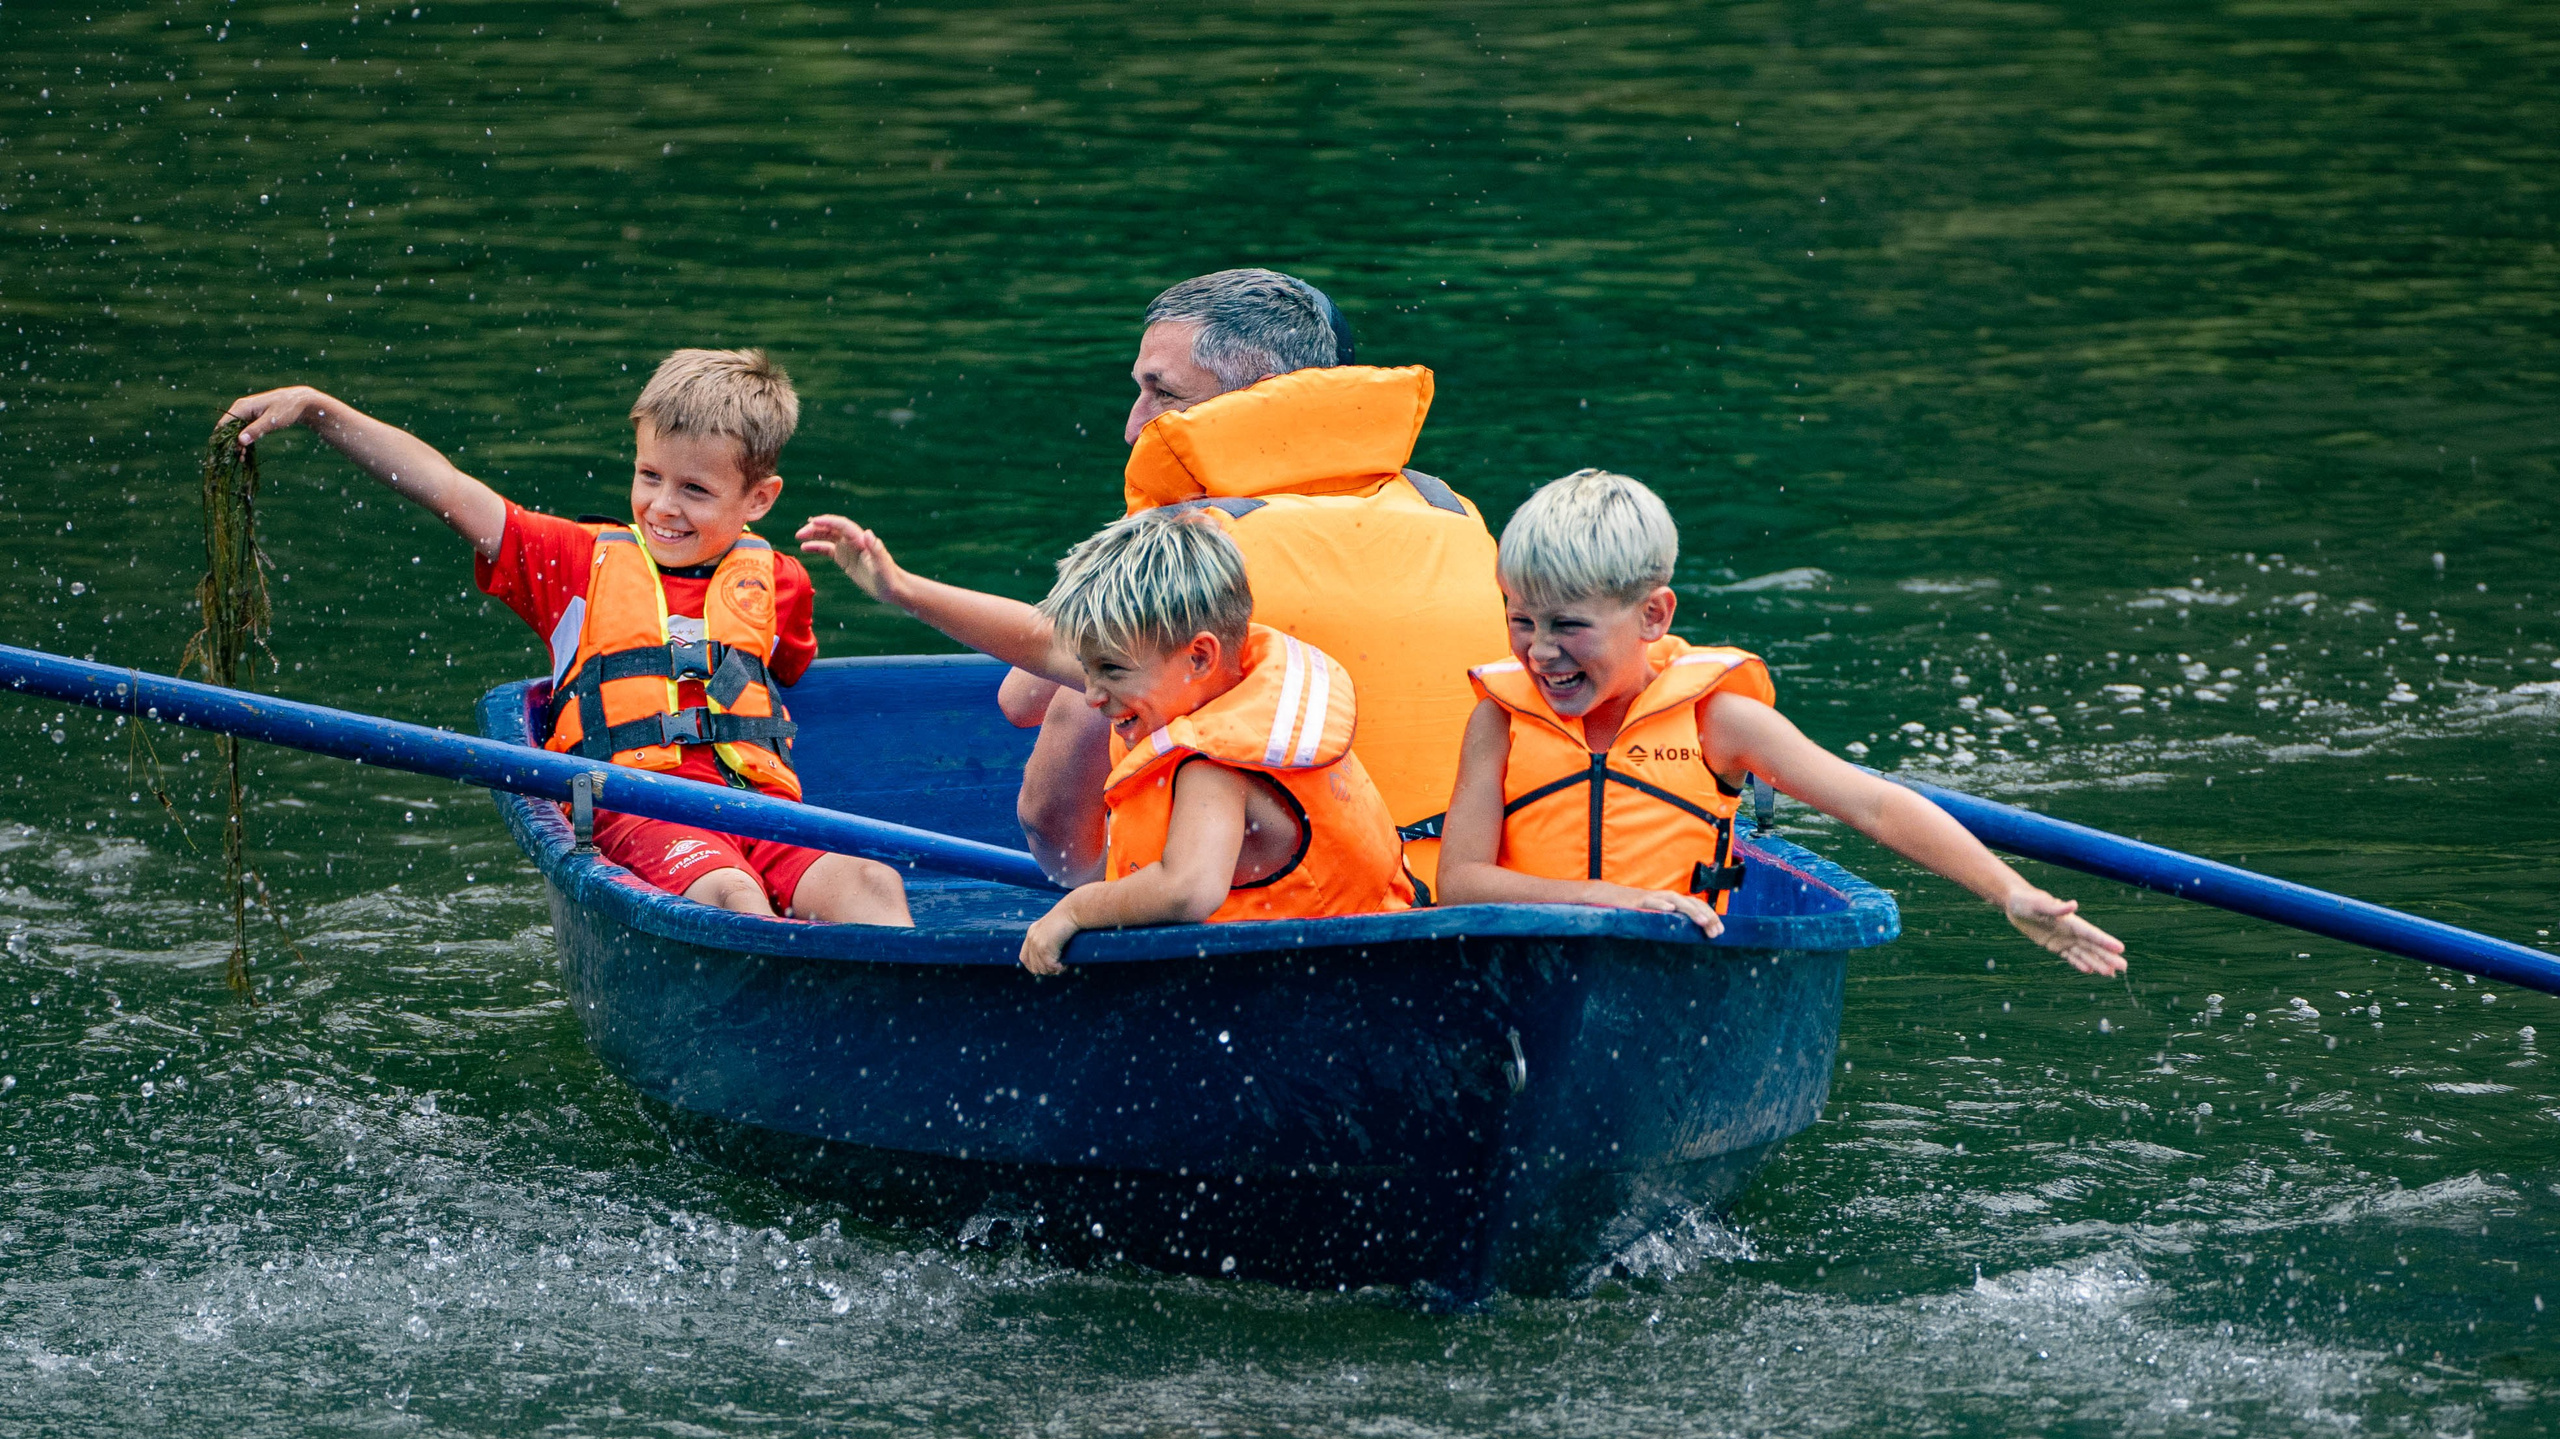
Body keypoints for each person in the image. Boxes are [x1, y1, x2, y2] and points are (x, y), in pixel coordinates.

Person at [219, 350, 912, 926]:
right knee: (734, 899)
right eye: (648, 476)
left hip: (762, 813)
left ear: (758, 499)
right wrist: (320, 409)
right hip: (642, 811)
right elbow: (448, 489)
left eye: (695, 490)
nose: (662, 506)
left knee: (873, 884)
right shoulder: (575, 562)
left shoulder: (780, 580)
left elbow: (787, 665)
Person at [1435, 469, 2128, 976]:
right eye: (1520, 620)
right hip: (1521, 977)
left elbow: (1875, 804)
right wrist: (1615, 902)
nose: (1540, 650)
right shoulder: (1500, 722)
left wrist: (2009, 890)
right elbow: (1459, 882)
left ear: (1653, 615)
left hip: (1670, 982)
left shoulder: (1718, 720)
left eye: (1568, 626)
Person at [1003, 268, 1508, 897]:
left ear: (1255, 397)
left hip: (1293, 891)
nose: (1135, 426)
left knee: (1086, 690)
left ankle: (1091, 889)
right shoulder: (1450, 510)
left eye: (1162, 393)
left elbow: (1017, 701)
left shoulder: (1190, 532)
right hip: (1457, 881)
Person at [796, 505, 1412, 972]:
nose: (1091, 694)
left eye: (1109, 673)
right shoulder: (1197, 668)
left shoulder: (1216, 764)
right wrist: (900, 588)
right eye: (1089, 668)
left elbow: (1185, 889)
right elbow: (1040, 643)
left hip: (1319, 973)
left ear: (1199, 656)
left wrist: (1073, 910)